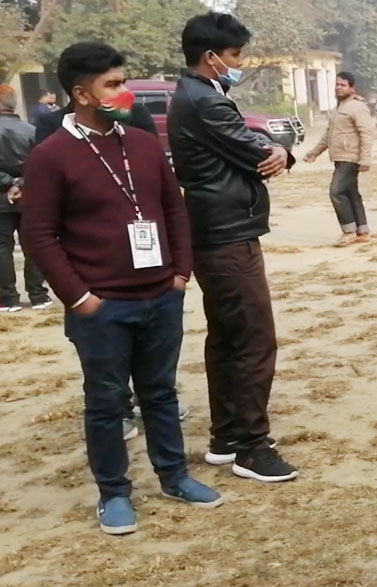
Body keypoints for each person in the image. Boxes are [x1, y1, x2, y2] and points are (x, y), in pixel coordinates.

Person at [20, 42, 223, 535]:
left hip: (160, 295)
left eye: (123, 81)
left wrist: (180, 273)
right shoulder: (50, 156)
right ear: (81, 93)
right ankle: (113, 492)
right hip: (101, 305)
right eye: (112, 84)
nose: (124, 92)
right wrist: (79, 297)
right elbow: (38, 235)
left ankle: (174, 476)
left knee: (161, 393)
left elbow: (173, 209)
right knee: (107, 402)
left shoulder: (143, 143)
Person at [169, 11, 298, 482]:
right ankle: (252, 446)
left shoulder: (201, 95)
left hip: (216, 229)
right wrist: (279, 150)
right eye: (235, 55)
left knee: (226, 337)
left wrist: (277, 148)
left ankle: (226, 436)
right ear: (211, 57)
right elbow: (258, 150)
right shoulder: (205, 101)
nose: (239, 63)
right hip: (226, 234)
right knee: (253, 338)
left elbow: (252, 139)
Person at [304, 71, 374, 246]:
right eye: (337, 84)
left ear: (352, 87)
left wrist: (365, 159)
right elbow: (328, 135)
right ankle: (362, 231)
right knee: (351, 193)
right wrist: (314, 152)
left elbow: (366, 133)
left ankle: (349, 231)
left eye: (343, 85)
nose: (338, 88)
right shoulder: (339, 108)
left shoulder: (357, 107)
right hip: (339, 157)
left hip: (351, 158)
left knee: (336, 192)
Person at [0, 86, 50, 312]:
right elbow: (41, 166)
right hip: (29, 195)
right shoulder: (32, 131)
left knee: (2, 248)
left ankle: (8, 298)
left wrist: (9, 183)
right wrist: (20, 182)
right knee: (33, 246)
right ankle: (38, 295)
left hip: (1, 197)